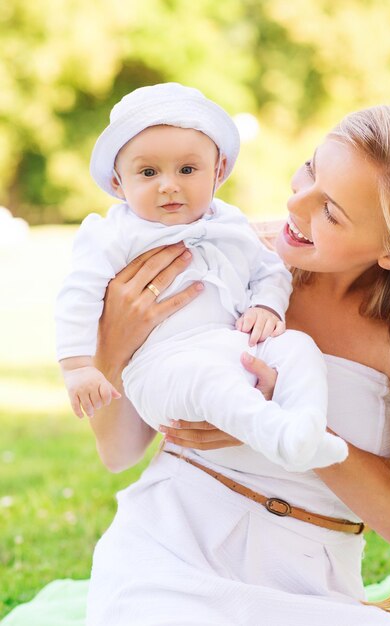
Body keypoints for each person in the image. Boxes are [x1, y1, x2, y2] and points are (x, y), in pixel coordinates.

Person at [85, 103, 390, 625]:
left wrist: (288, 428)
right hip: (166, 550)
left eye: (331, 212)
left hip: (313, 584)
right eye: (311, 168)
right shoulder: (223, 259)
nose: (294, 203)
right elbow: (117, 451)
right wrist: (111, 348)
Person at [55, 83, 347, 472]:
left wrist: (265, 305)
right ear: (117, 184)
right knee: (208, 379)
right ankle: (279, 435)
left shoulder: (230, 223)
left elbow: (269, 269)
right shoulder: (112, 234)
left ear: (218, 171)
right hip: (162, 366)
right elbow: (78, 294)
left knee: (297, 347)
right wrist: (77, 367)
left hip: (234, 346)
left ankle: (307, 425)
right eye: (147, 172)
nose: (169, 184)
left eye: (188, 169)